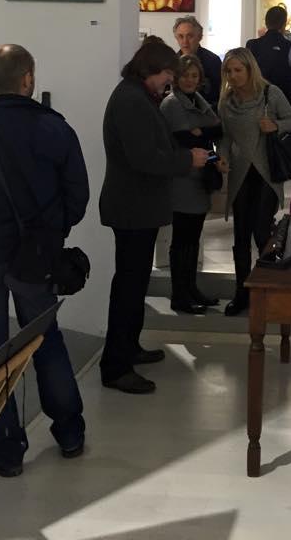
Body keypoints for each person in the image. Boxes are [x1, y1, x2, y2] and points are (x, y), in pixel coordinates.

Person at [0, 44, 89, 477]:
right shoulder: (56, 130)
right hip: (36, 259)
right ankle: (70, 432)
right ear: (28, 79)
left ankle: (6, 448)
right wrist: (51, 235)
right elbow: (77, 198)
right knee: (45, 340)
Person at [99, 37, 209, 395]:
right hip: (132, 206)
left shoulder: (138, 96)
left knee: (134, 285)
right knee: (128, 287)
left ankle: (128, 348)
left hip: (138, 206)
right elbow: (144, 158)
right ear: (151, 69)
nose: (170, 81)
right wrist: (187, 160)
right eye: (167, 74)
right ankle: (116, 366)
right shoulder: (131, 100)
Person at [217, 48, 291, 316]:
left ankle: (268, 289)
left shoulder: (269, 93)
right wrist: (223, 157)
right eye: (229, 71)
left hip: (265, 172)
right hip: (240, 173)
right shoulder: (226, 101)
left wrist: (275, 126)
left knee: (262, 232)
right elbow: (225, 136)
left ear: (250, 69)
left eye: (238, 70)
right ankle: (242, 292)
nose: (233, 76)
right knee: (241, 234)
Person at [160, 55, 222, 315]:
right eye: (185, 75)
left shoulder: (198, 100)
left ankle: (191, 288)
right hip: (182, 179)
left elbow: (217, 130)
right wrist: (200, 134)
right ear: (176, 77)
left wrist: (202, 134)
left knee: (193, 239)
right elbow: (185, 138)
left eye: (194, 76)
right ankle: (180, 294)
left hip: (199, 177)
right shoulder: (173, 103)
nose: (189, 80)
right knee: (182, 240)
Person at [246, 4, 291, 104]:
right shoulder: (289, 47)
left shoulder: (252, 44)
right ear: (284, 24)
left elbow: (247, 71)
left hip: (257, 99)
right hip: (282, 99)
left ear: (266, 23)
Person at [173, 16, 222, 107]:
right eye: (180, 36)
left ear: (200, 37)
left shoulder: (213, 61)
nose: (185, 41)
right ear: (176, 38)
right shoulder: (172, 62)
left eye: (190, 36)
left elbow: (220, 95)